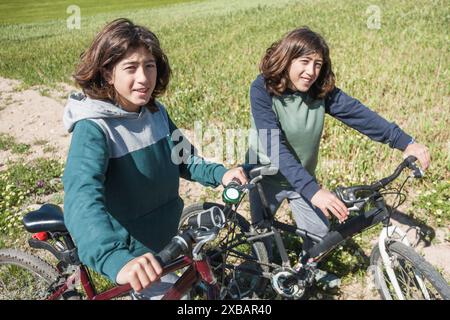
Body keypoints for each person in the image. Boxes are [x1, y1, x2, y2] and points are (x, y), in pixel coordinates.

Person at [62, 18, 247, 299]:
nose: (144, 78)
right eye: (131, 68)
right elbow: (81, 199)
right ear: (108, 73)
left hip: (168, 243)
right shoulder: (94, 128)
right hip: (133, 258)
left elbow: (184, 159)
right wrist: (116, 259)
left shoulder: (155, 112)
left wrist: (220, 174)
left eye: (149, 66)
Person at [247, 27, 430, 287]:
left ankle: (305, 271)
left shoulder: (320, 90)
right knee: (261, 237)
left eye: (318, 64)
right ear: (286, 58)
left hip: (302, 175)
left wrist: (405, 142)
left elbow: (359, 115)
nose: (311, 72)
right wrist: (314, 191)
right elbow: (273, 145)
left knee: (321, 233)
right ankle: (260, 280)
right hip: (264, 176)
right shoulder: (262, 89)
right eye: (304, 62)